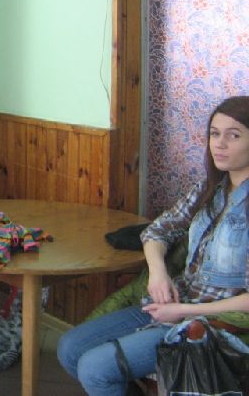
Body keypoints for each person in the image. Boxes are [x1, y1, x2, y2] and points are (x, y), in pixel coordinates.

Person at [57, 95, 249, 395]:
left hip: (214, 324)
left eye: (233, 135)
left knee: (95, 369)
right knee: (70, 348)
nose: (219, 144)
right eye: (214, 133)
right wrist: (158, 273)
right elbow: (157, 231)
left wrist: (183, 310)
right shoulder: (211, 189)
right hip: (174, 304)